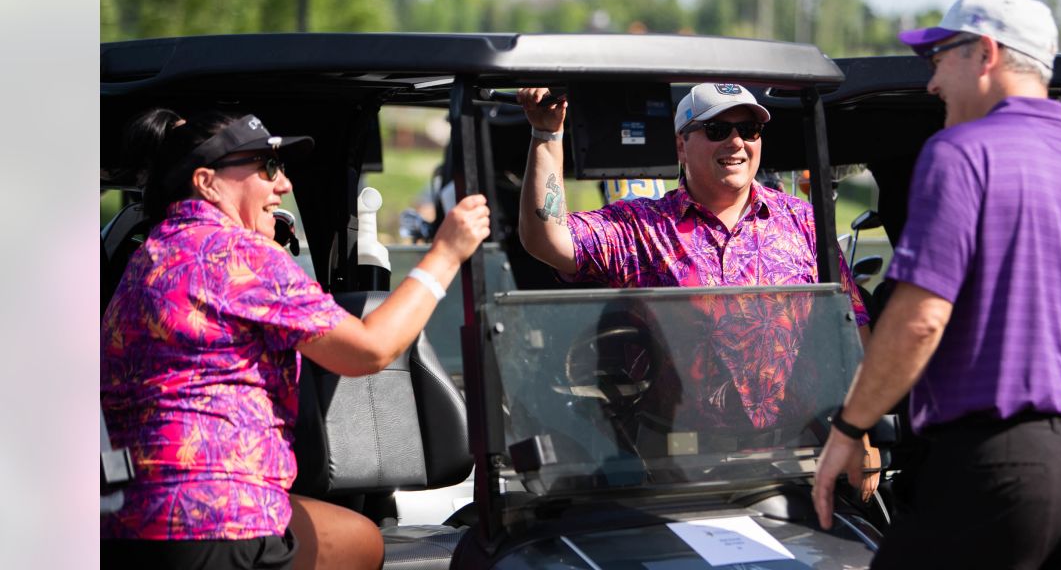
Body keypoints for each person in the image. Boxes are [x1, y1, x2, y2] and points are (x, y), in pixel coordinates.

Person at [810, 0, 1061, 568]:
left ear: (986, 54)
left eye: (940, 57)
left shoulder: (960, 154)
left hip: (999, 464)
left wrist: (850, 428)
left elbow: (921, 320)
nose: (931, 82)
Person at [101, 110, 490, 570]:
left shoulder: (154, 252)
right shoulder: (238, 252)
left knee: (359, 540)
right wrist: (445, 254)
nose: (282, 183)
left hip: (123, 519)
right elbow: (369, 350)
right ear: (207, 182)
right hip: (216, 521)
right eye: (266, 167)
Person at [515, 83, 881, 501]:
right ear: (681, 145)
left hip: (799, 460)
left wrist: (860, 429)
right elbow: (549, 239)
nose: (737, 142)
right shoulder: (642, 227)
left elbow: (850, 327)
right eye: (717, 130)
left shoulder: (804, 221)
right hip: (681, 469)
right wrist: (547, 136)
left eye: (749, 129)